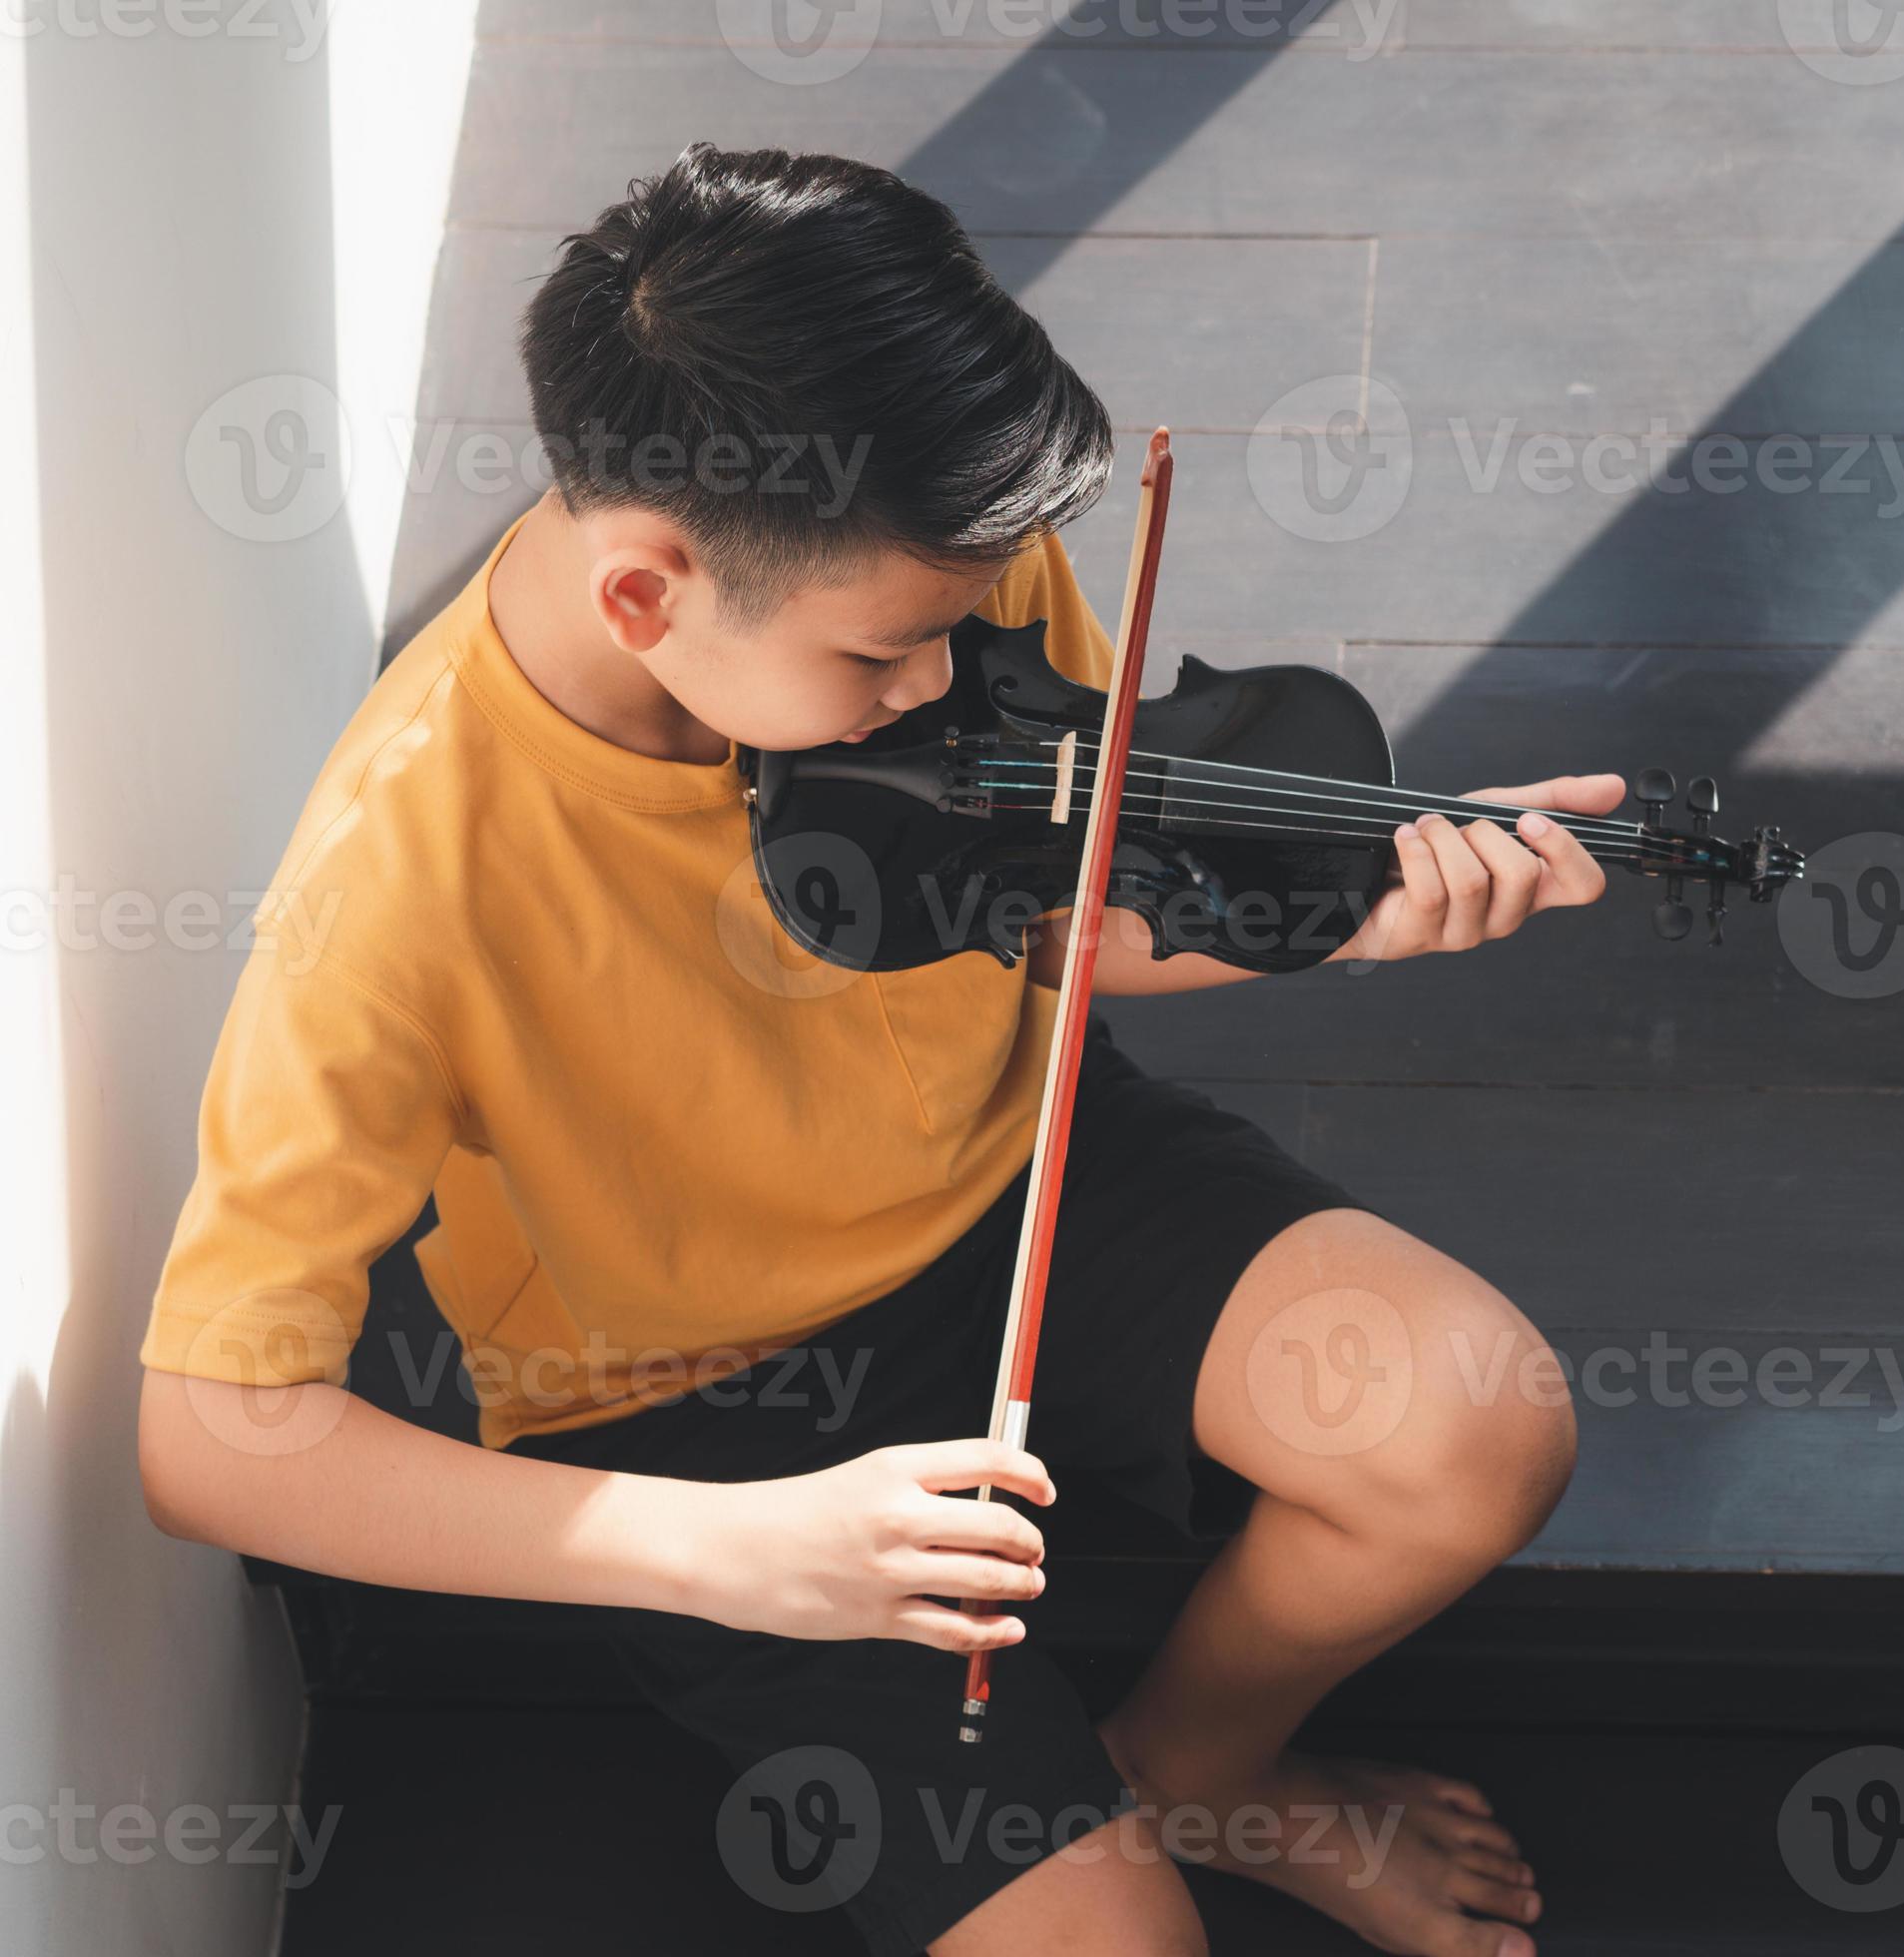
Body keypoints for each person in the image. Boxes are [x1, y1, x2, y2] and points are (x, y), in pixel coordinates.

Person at [135, 143, 1605, 1957]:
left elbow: (1057, 904)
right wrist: (722, 1550)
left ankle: (1199, 1765)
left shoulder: (934, 568)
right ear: (643, 597)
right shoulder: (397, 880)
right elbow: (210, 1435)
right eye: (888, 658)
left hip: (1025, 1182)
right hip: (692, 1408)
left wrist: (1331, 918)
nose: (949, 683)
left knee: (1478, 1428)